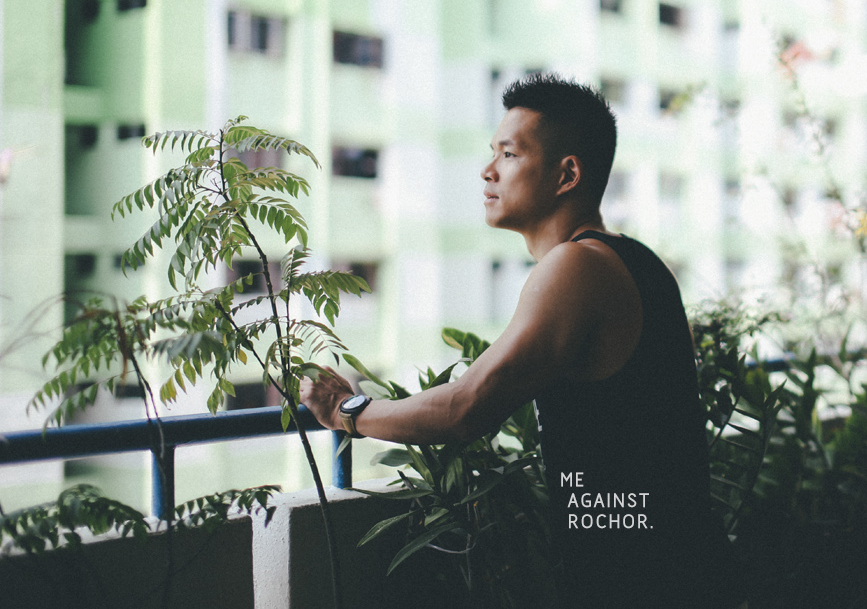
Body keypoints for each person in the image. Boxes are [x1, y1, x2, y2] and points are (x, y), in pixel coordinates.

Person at [302, 74, 745, 609]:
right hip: (687, 569)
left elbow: (464, 408)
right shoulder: (640, 260)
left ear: (567, 174)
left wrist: (347, 411)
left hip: (647, 582)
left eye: (509, 154)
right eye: (493, 152)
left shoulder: (576, 267)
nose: (487, 171)